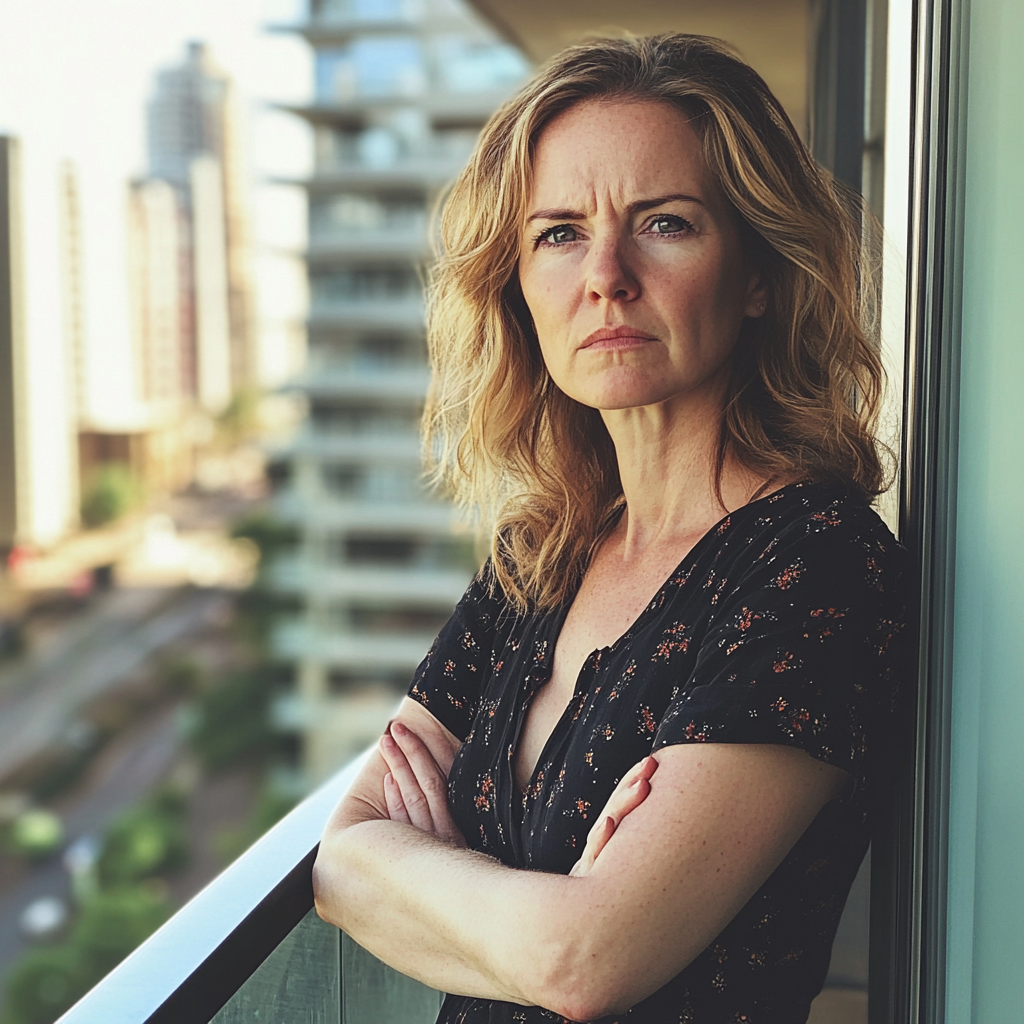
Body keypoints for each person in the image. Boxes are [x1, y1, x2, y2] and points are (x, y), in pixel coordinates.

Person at [312, 33, 912, 1024]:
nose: (605, 276)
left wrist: (428, 869)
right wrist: (507, 900)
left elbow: (584, 962)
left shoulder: (817, 563)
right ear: (517, 284)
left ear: (757, 273)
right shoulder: (537, 557)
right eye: (558, 233)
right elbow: (338, 860)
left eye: (664, 223)